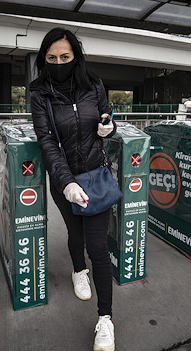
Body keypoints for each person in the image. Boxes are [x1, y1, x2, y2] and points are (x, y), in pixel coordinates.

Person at [30, 28, 117, 351]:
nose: (59, 63)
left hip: (96, 177)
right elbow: (47, 141)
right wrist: (65, 182)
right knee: (75, 234)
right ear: (44, 59)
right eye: (51, 58)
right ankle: (78, 270)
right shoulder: (40, 93)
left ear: (75, 57)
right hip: (64, 180)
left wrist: (109, 126)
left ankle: (105, 319)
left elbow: (106, 115)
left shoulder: (93, 84)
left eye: (65, 57)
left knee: (97, 246)